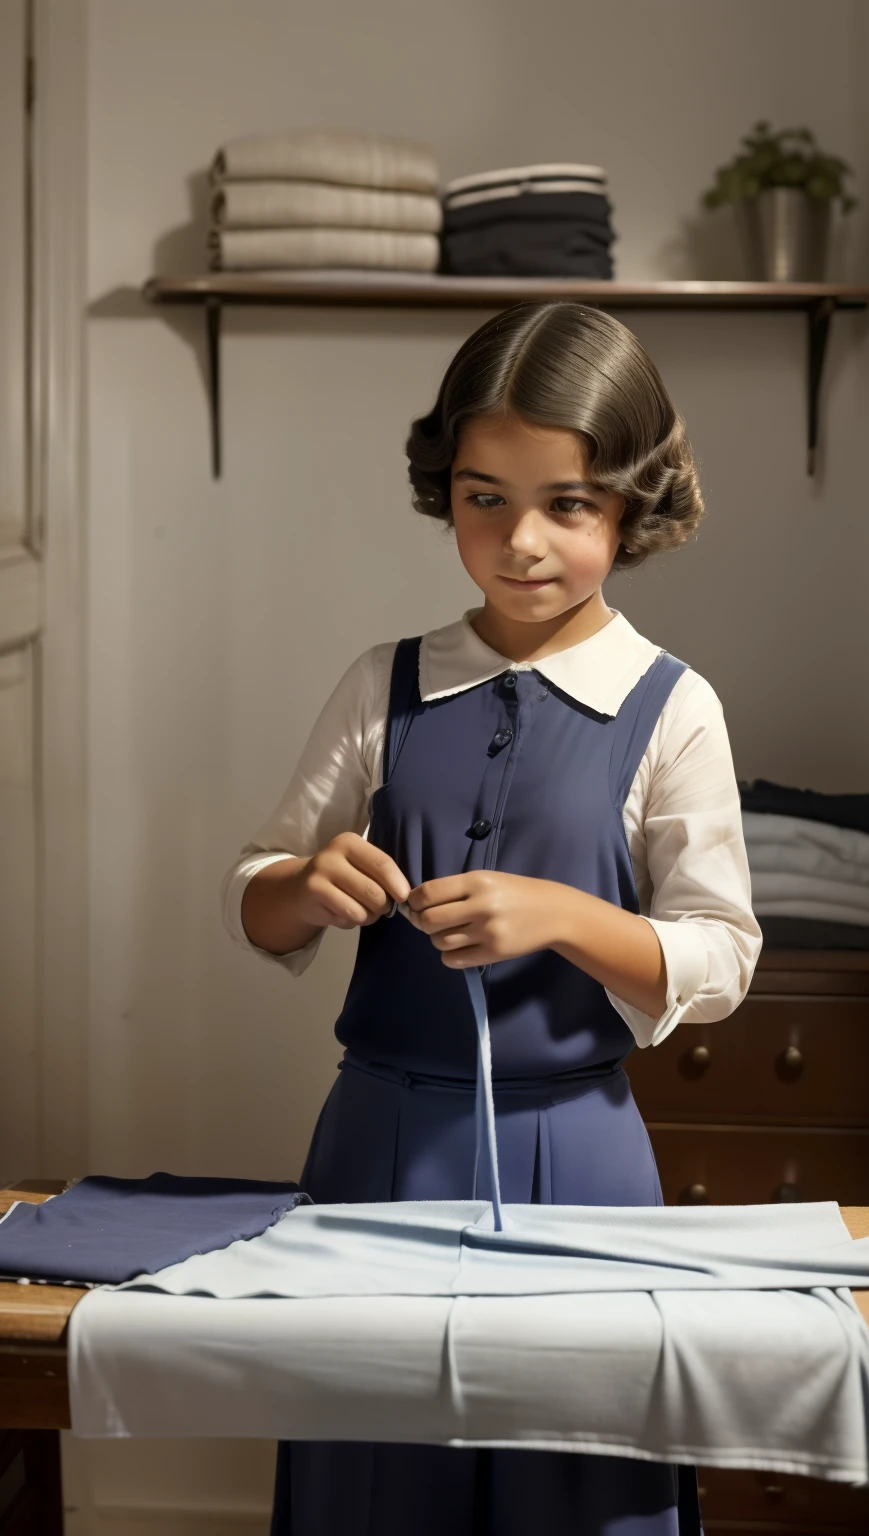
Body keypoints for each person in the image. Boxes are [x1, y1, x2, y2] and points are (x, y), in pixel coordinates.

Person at [221, 300, 762, 1536]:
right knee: (371, 1488)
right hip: (375, 1158)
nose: (521, 541)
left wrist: (567, 916)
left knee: (579, 1491)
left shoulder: (674, 709)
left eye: (567, 503)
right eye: (484, 498)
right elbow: (254, 896)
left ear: (631, 503)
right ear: (444, 491)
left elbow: (722, 955)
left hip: (579, 1162)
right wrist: (302, 888)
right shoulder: (382, 685)